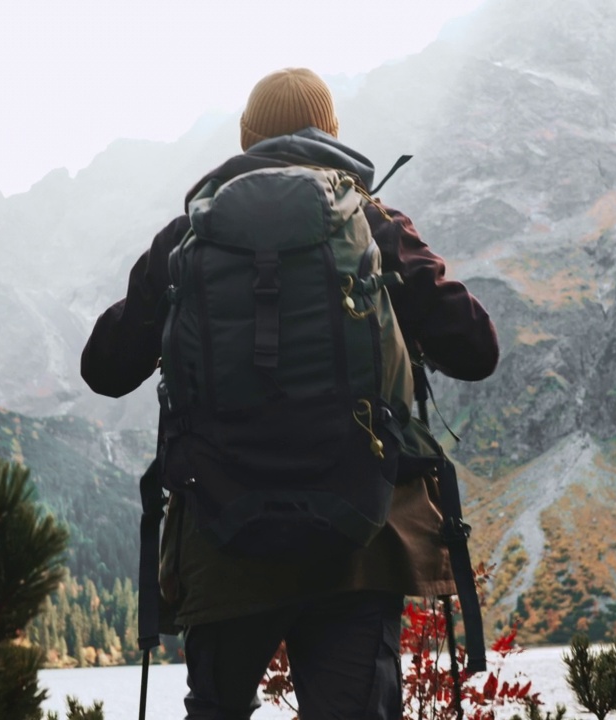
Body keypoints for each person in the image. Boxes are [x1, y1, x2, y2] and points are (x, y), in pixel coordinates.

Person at [80, 67, 498, 720]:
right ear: (331, 135)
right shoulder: (373, 225)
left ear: (248, 141)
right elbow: (477, 348)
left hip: (221, 541)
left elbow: (103, 369)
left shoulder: (189, 236)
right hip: (356, 542)